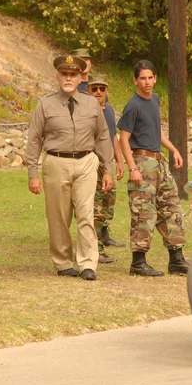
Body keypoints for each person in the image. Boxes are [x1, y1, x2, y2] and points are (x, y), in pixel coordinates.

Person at [26, 55, 114, 281]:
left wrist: (108, 169)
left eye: (73, 74)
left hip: (86, 162)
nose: (68, 78)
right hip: (56, 162)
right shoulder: (45, 104)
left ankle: (87, 263)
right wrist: (32, 174)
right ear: (57, 76)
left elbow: (103, 137)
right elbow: (34, 139)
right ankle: (63, 262)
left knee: (86, 214)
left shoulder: (92, 103)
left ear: (80, 77)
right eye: (64, 74)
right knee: (58, 217)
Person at [117, 60, 188, 277]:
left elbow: (157, 130)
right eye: (142, 78)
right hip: (141, 161)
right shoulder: (133, 105)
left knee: (171, 206)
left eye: (150, 78)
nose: (147, 82)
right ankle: (138, 262)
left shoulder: (154, 100)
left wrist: (174, 150)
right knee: (143, 212)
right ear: (135, 80)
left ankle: (176, 258)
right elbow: (123, 139)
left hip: (159, 162)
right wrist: (132, 168)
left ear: (155, 78)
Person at [87, 74, 126, 264]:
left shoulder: (109, 111)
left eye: (102, 89)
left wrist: (119, 161)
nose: (98, 92)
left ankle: (103, 238)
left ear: (107, 91)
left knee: (108, 205)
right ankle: (96, 249)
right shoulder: (86, 110)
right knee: (95, 207)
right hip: (92, 163)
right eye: (94, 89)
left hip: (108, 165)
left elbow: (113, 138)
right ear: (88, 91)